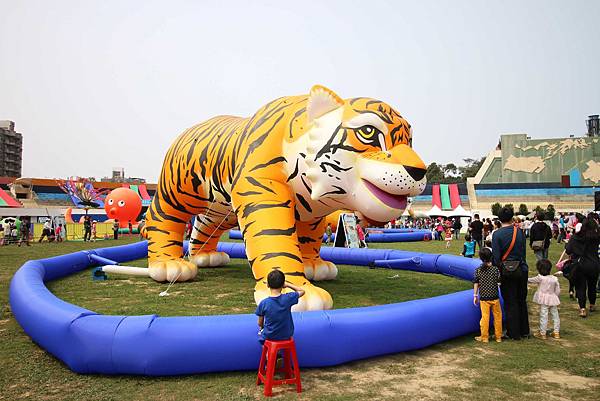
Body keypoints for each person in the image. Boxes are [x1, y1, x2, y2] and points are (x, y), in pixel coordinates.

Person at [492, 207, 530, 340]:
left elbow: (496, 258)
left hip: (507, 271)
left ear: (499, 218)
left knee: (510, 301)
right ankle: (524, 330)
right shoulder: (519, 232)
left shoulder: (497, 234)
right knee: (521, 300)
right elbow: (523, 253)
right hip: (521, 268)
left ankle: (513, 332)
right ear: (511, 217)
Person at [256, 270, 305, 344]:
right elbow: (302, 291)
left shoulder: (264, 303)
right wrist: (288, 284)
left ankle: (269, 353)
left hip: (270, 335)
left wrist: (262, 328)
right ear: (283, 285)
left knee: (262, 338)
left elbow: (260, 323)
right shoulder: (288, 298)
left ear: (268, 285)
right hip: (287, 335)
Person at [565, 215, 600, 318]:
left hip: (580, 264)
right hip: (594, 264)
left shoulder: (576, 237)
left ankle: (582, 309)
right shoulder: (596, 237)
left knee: (581, 287)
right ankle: (592, 305)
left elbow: (568, 250)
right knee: (592, 286)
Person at [473, 247, 502, 343]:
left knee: (485, 317)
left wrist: (475, 295)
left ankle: (484, 337)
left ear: (481, 258)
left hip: (484, 298)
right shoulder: (495, 270)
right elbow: (499, 282)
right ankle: (498, 337)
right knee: (498, 317)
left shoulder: (478, 270)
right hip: (495, 297)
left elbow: (476, 283)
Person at [528, 259, 561, 339]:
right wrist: (555, 297)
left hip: (544, 300)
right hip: (553, 298)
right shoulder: (554, 278)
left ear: (539, 269)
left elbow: (530, 280)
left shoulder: (540, 278)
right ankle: (556, 332)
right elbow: (558, 290)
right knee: (555, 316)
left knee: (543, 315)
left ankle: (543, 333)